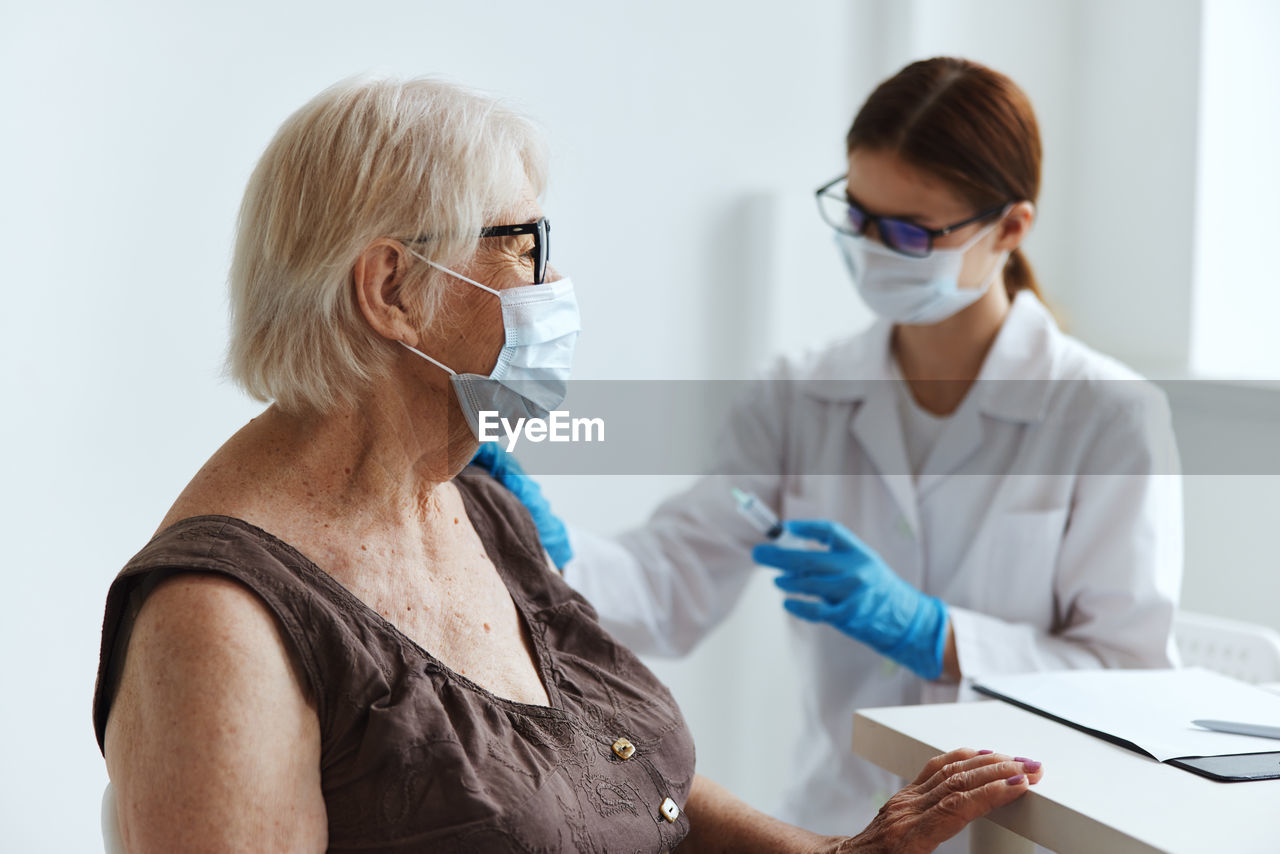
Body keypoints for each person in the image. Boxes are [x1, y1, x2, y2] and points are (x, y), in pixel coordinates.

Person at [91, 75, 1045, 853]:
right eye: (527, 245)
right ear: (392, 289)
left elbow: (612, 779)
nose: (557, 289)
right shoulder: (221, 622)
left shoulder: (472, 509)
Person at [479, 56, 1179, 843]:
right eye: (859, 215)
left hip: (1026, 830)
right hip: (836, 820)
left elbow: (1131, 681)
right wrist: (543, 545)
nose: (874, 248)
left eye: (911, 232)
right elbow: (671, 587)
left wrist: (938, 636)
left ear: (1011, 228)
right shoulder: (802, 395)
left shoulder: (1107, 415)